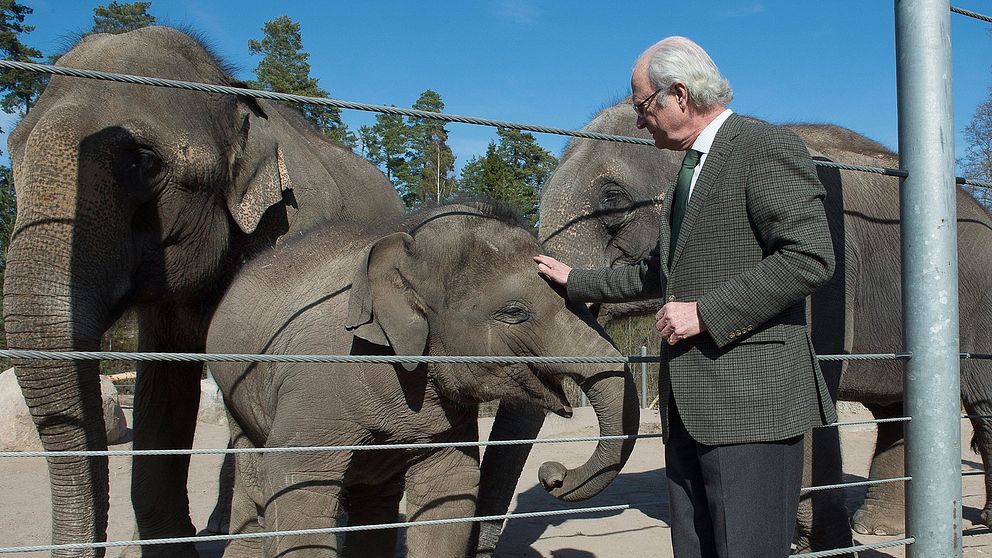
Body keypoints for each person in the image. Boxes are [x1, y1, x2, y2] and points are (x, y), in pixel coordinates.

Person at [534, 36, 837, 558]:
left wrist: (707, 313)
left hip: (751, 406)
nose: (639, 120)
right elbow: (658, 275)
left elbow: (810, 257)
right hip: (688, 409)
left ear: (678, 94)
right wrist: (575, 279)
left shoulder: (764, 148)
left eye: (642, 106)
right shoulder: (688, 172)